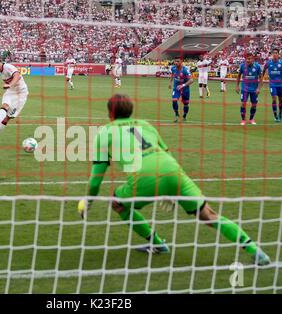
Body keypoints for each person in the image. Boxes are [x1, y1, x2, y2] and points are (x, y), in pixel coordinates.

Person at [77, 94, 271, 265]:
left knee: (118, 204)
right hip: (174, 171)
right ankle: (256, 251)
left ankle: (158, 244)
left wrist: (89, 201)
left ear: (110, 113)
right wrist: (170, 190)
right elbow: (166, 153)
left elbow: (96, 180)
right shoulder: (145, 124)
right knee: (209, 216)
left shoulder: (104, 132)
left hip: (144, 178)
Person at [235, 53, 263, 125]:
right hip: (245, 88)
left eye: (249, 59)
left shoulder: (257, 66)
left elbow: (261, 78)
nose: (248, 60)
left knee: (254, 104)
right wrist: (237, 86)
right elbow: (238, 76)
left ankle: (251, 119)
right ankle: (243, 120)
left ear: (253, 59)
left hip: (254, 89)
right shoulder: (242, 66)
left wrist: (258, 88)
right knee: (243, 103)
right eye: (247, 59)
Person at [262, 48, 282, 122]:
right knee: (274, 99)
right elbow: (263, 70)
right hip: (272, 84)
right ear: (272, 54)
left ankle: (280, 114)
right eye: (274, 53)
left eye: (276, 53)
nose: (275, 54)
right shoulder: (268, 63)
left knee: (280, 100)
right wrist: (261, 79)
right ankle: (275, 115)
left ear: (278, 54)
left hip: (280, 84)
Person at [168, 56, 194, 123]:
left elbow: (191, 80)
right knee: (174, 100)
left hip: (185, 89)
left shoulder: (185, 70)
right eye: (175, 61)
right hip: (176, 88)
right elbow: (172, 74)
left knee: (186, 104)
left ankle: (184, 116)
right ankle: (176, 114)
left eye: (178, 61)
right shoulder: (173, 68)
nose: (176, 63)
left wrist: (183, 85)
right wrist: (170, 82)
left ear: (181, 62)